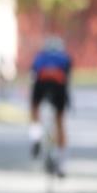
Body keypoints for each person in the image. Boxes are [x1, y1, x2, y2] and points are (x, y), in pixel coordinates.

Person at [29, 35, 72, 176]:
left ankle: (35, 136)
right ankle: (62, 162)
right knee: (60, 121)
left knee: (34, 108)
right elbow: (68, 77)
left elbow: (33, 73)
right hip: (59, 86)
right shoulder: (64, 57)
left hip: (41, 85)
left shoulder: (40, 56)